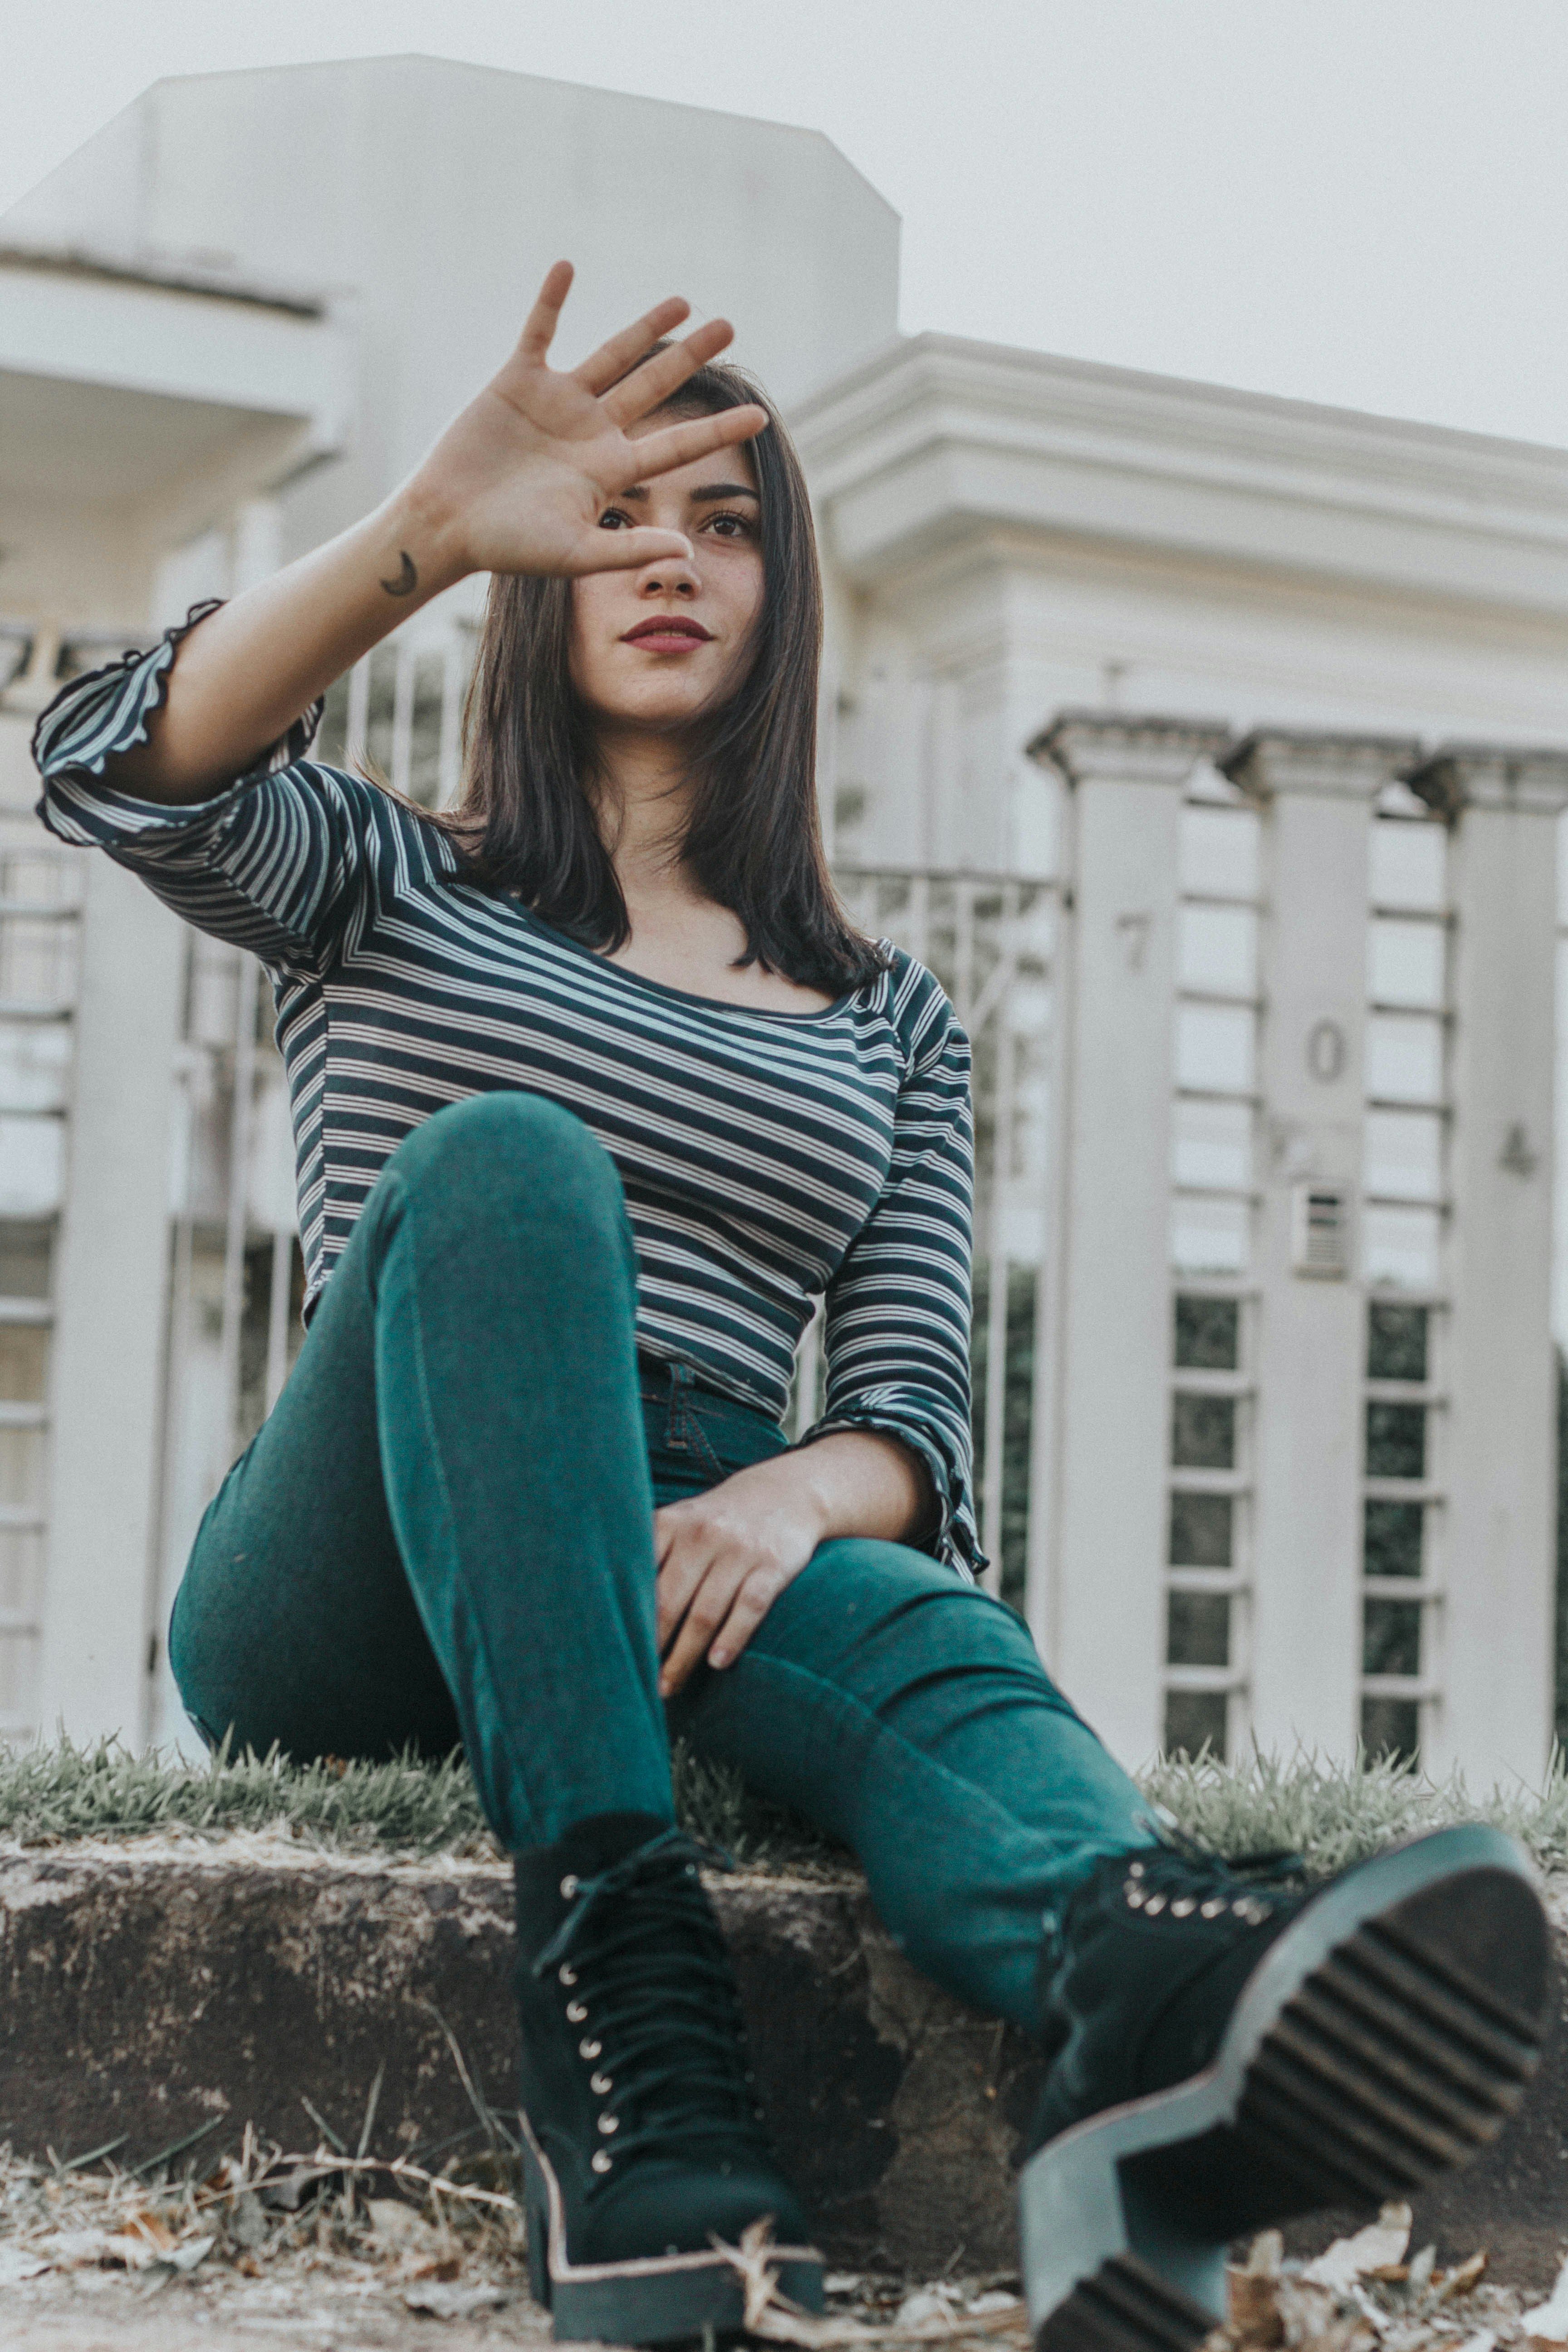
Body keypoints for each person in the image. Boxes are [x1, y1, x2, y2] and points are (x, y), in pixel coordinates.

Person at [33, 267, 1549, 2352]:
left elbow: (916, 1405)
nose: (670, 553)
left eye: (727, 522)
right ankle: (626, 2032)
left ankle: (1139, 1997)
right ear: (544, 577)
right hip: (368, 1558)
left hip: (693, 1541)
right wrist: (427, 530)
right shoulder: (398, 881)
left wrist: (785, 1504)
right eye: (627, 512)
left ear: (788, 600)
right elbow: (120, 763)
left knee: (923, 1624)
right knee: (508, 1164)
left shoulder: (889, 1019)